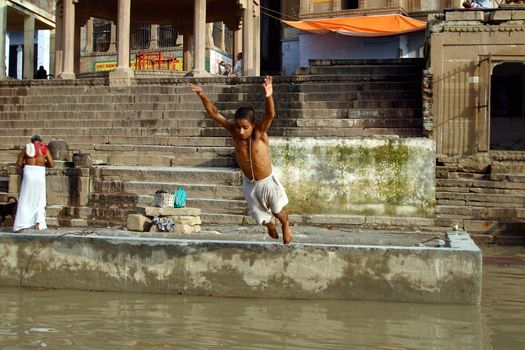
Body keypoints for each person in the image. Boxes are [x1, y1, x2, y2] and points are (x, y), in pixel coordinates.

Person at [189, 76, 293, 244]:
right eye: (238, 126)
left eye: (245, 127)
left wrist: (268, 95)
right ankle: (270, 226)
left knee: (277, 210)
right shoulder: (234, 131)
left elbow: (270, 114)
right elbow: (214, 113)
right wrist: (202, 95)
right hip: (250, 183)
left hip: (266, 181)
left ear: (253, 125)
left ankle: (285, 225)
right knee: (262, 218)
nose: (241, 131)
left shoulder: (259, 134)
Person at [13, 135, 54, 231]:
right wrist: (43, 164)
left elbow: (19, 163)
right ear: (40, 141)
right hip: (40, 173)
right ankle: (38, 224)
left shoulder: (27, 147)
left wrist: (27, 164)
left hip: (29, 172)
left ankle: (23, 224)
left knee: (26, 198)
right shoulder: (44, 148)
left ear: (32, 141)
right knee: (40, 199)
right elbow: (51, 164)